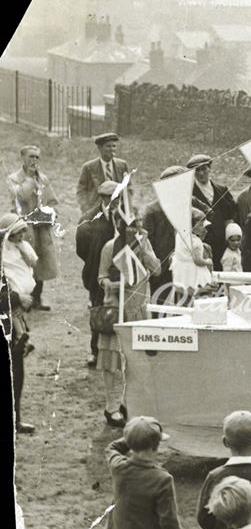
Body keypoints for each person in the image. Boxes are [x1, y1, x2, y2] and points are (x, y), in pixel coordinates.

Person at [98, 209, 161, 428]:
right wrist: (111, 285)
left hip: (139, 307)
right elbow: (101, 276)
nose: (135, 227)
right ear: (118, 223)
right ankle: (112, 407)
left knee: (137, 360)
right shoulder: (109, 247)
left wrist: (144, 249)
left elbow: (158, 270)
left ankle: (129, 402)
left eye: (138, 222)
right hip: (117, 308)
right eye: (130, 223)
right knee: (113, 361)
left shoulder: (144, 244)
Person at [8, 145, 58, 310]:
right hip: (23, 227)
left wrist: (49, 213)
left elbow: (51, 201)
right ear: (23, 158)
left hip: (41, 226)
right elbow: (20, 195)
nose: (34, 160)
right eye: (31, 157)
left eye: (37, 157)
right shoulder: (14, 178)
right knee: (25, 260)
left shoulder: (43, 179)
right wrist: (29, 179)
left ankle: (37, 299)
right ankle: (23, 299)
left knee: (41, 261)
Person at [0, 214, 36, 433]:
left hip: (14, 327)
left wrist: (23, 298)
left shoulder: (18, 252)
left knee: (17, 376)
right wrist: (16, 298)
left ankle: (15, 419)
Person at [76, 180, 117, 368]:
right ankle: (95, 351)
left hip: (121, 274)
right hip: (97, 274)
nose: (116, 201)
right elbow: (82, 250)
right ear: (102, 197)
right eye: (111, 197)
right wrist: (98, 265)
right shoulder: (88, 220)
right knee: (99, 311)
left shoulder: (127, 215)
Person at [142, 166, 188, 305]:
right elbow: (147, 242)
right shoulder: (152, 210)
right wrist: (155, 264)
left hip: (183, 263)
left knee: (183, 301)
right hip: (162, 264)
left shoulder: (186, 205)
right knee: (159, 301)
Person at [187, 154, 238, 269]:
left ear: (209, 169)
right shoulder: (190, 193)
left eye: (204, 169)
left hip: (222, 244)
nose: (201, 173)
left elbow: (231, 215)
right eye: (197, 170)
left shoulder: (222, 190)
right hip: (201, 246)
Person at [78, 133, 127, 220]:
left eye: (114, 146)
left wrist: (127, 208)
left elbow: (128, 188)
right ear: (100, 148)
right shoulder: (88, 167)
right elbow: (81, 190)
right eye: (108, 146)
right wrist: (86, 209)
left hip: (117, 211)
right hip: (96, 211)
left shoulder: (122, 165)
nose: (112, 149)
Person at [171, 209, 213, 305]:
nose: (204, 229)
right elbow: (198, 261)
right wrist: (208, 261)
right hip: (192, 281)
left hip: (184, 275)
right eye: (201, 226)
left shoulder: (180, 236)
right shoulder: (195, 243)